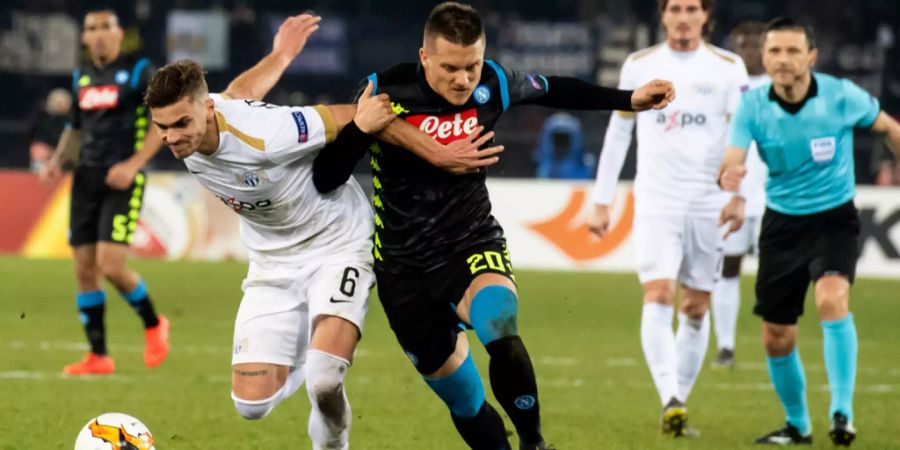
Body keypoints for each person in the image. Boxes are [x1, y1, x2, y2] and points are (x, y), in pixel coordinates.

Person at [313, 3, 674, 449]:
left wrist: (627, 100)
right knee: (465, 402)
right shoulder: (383, 90)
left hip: (471, 241)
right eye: (450, 68)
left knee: (500, 329)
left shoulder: (495, 83)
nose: (463, 79)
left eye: (472, 66)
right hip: (403, 269)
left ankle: (534, 442)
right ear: (425, 58)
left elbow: (553, 89)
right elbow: (325, 178)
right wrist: (359, 131)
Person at [145, 14, 494, 449]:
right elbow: (240, 92)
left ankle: (332, 440)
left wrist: (437, 153)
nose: (173, 137)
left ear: (206, 109)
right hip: (272, 263)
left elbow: (362, 115)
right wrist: (281, 54)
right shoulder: (199, 124)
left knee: (325, 379)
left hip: (338, 244)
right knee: (250, 405)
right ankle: (303, 361)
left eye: (181, 124)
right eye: (163, 127)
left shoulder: (270, 134)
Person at [719, 17, 900, 446]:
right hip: (781, 226)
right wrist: (730, 183)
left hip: (833, 218)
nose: (783, 60)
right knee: (776, 338)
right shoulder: (752, 105)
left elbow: (890, 127)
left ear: (811, 57)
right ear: (764, 57)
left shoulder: (840, 96)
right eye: (775, 52)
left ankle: (843, 413)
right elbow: (731, 160)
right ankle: (798, 426)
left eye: (792, 51)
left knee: (831, 297)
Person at [588, 0, 749, 436]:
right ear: (663, 15)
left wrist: (739, 197)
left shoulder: (729, 67)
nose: (683, 15)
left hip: (709, 201)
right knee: (658, 292)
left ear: (705, 15)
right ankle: (671, 399)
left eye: (691, 7)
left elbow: (743, 136)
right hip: (657, 197)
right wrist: (602, 200)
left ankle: (678, 400)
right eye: (675, 7)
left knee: (696, 306)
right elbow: (619, 129)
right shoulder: (640, 65)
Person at [38, 9, 168, 375]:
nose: (98, 35)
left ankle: (154, 324)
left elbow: (161, 123)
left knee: (111, 266)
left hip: (122, 177)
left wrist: (133, 165)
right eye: (91, 28)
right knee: (83, 268)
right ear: (84, 37)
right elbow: (74, 127)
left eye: (105, 28)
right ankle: (98, 356)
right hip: (86, 178)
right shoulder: (81, 76)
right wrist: (56, 161)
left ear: (118, 34)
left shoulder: (140, 70)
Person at [710, 20, 770, 369]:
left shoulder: (778, 86)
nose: (748, 49)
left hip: (774, 195)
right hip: (730, 194)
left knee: (773, 273)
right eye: (741, 43)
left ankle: (774, 339)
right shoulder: (726, 84)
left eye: (754, 43)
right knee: (726, 268)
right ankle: (726, 346)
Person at [533, 113, 593, 179]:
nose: (560, 142)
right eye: (557, 137)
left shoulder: (585, 164)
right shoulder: (543, 163)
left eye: (565, 138)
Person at [30, 88, 72, 172]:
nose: (59, 105)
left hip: (64, 163)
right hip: (42, 163)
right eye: (56, 102)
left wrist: (58, 156)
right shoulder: (42, 120)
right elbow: (37, 147)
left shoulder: (71, 123)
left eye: (62, 102)